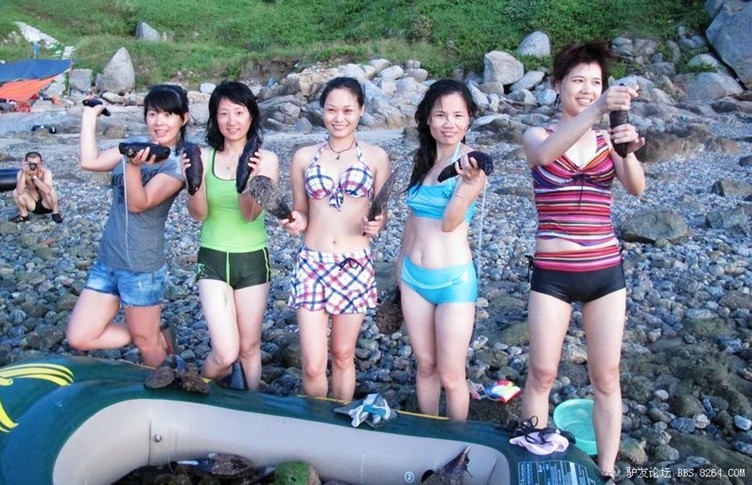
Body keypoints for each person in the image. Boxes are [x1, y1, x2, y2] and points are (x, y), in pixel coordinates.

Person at [520, 41, 645, 480]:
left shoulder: (608, 139)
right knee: (542, 373)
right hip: (552, 275)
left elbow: (636, 187)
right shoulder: (537, 135)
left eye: (596, 83)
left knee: (606, 377)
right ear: (558, 84)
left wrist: (627, 149)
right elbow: (544, 156)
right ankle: (534, 462)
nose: (588, 89)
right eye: (579, 81)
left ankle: (607, 471)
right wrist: (598, 110)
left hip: (605, 273)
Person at [282, 76, 391, 402]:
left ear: (361, 111)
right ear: (322, 111)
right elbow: (302, 211)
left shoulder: (376, 157)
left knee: (343, 355)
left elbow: (381, 213)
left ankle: (341, 420)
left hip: (354, 262)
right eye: (331, 110)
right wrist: (294, 221)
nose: (339, 118)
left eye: (347, 110)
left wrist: (377, 224)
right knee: (313, 365)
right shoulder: (303, 157)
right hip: (312, 262)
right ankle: (317, 422)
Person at [66, 84, 189, 367]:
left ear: (183, 119)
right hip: (108, 260)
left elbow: (139, 203)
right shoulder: (135, 146)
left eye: (168, 115)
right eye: (153, 114)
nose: (159, 122)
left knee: (147, 346)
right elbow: (90, 161)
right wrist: (89, 116)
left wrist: (133, 166)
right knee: (80, 337)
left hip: (141, 267)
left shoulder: (176, 165)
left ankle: (167, 382)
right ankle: (156, 333)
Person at [396, 79, 486, 421]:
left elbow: (449, 223)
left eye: (458, 115)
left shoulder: (472, 167)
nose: (449, 123)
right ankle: (429, 434)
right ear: (427, 119)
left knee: (451, 375)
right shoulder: (424, 161)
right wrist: (400, 272)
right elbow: (412, 221)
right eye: (440, 115)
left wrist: (466, 185)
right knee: (426, 366)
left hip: (453, 282)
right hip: (413, 278)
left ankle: (458, 441)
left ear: (469, 119)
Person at [183, 80, 279, 390]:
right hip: (212, 258)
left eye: (239, 112)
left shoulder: (266, 160)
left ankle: (250, 407)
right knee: (225, 352)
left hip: (252, 260)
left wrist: (246, 180)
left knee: (249, 348)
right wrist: (193, 182)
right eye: (224, 113)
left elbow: (250, 215)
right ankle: (196, 387)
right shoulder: (203, 157)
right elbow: (198, 214)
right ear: (215, 117)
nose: (232, 121)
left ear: (251, 115)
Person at [10, 151, 63, 223]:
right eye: (31, 164)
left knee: (51, 190)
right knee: (15, 192)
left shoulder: (46, 172)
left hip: (47, 204)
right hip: (32, 204)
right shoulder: (21, 173)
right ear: (26, 163)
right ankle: (24, 215)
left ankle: (55, 212)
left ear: (41, 163)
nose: (34, 166)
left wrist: (34, 176)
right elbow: (19, 191)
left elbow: (47, 190)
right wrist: (24, 173)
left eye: (36, 164)